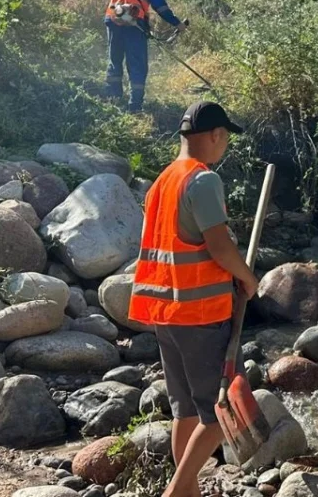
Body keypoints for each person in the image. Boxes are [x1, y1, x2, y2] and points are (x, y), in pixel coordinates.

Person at [128, 100, 259, 497]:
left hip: (165, 312)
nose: (225, 147)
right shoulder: (202, 181)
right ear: (216, 135)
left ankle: (188, 493)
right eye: (226, 139)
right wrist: (248, 278)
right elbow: (218, 246)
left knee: (185, 410)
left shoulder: (163, 181)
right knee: (217, 416)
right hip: (199, 313)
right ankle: (176, 491)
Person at [104, 0, 184, 112]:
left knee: (115, 58)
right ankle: (135, 106)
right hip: (134, 23)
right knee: (137, 64)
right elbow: (160, 7)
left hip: (113, 19)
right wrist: (177, 23)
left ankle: (114, 98)